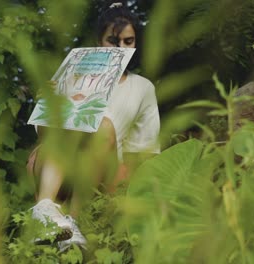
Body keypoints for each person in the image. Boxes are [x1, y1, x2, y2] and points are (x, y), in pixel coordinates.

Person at [28, 1, 160, 251]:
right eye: (113, 40)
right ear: (99, 41)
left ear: (136, 43)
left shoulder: (143, 87)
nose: (121, 48)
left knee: (104, 126)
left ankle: (71, 222)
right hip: (59, 166)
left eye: (128, 42)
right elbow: (45, 134)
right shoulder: (71, 76)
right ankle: (45, 211)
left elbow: (144, 152)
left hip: (106, 169)